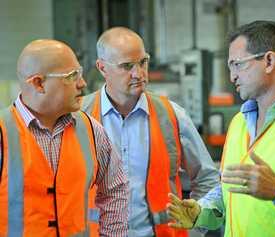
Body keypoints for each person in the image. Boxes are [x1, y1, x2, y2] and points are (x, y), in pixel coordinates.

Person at [167, 20, 275, 237]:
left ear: (269, 61)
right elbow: (230, 188)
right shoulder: (239, 122)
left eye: (237, 64)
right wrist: (202, 211)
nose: (232, 76)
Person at [81, 27, 219, 237]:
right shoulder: (78, 117)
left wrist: (195, 228)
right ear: (102, 68)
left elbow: (207, 178)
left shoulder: (172, 115)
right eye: (127, 66)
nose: (138, 73)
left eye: (143, 62)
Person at [0, 39, 128, 237]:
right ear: (38, 83)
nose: (82, 83)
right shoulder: (3, 135)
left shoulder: (90, 130)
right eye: (71, 76)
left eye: (80, 73)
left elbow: (115, 189)